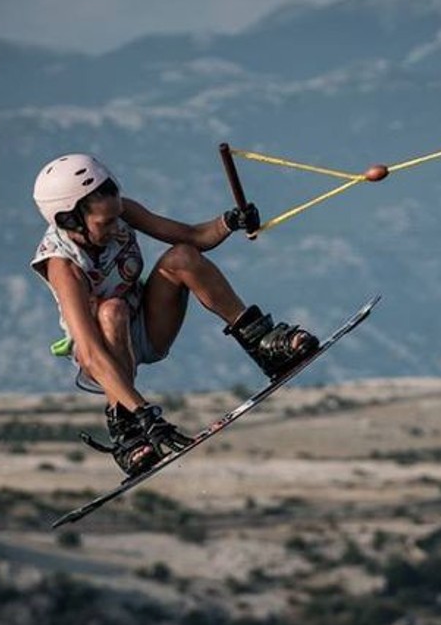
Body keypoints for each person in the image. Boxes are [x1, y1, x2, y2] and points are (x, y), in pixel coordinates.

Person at [30, 153, 318, 477]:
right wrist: (143, 414)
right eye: (104, 223)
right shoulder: (63, 265)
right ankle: (127, 432)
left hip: (147, 326)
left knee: (182, 256)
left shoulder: (122, 211)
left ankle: (262, 342)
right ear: (70, 222)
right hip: (101, 354)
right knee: (112, 310)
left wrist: (230, 221)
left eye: (117, 216)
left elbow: (193, 237)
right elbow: (91, 354)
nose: (115, 227)